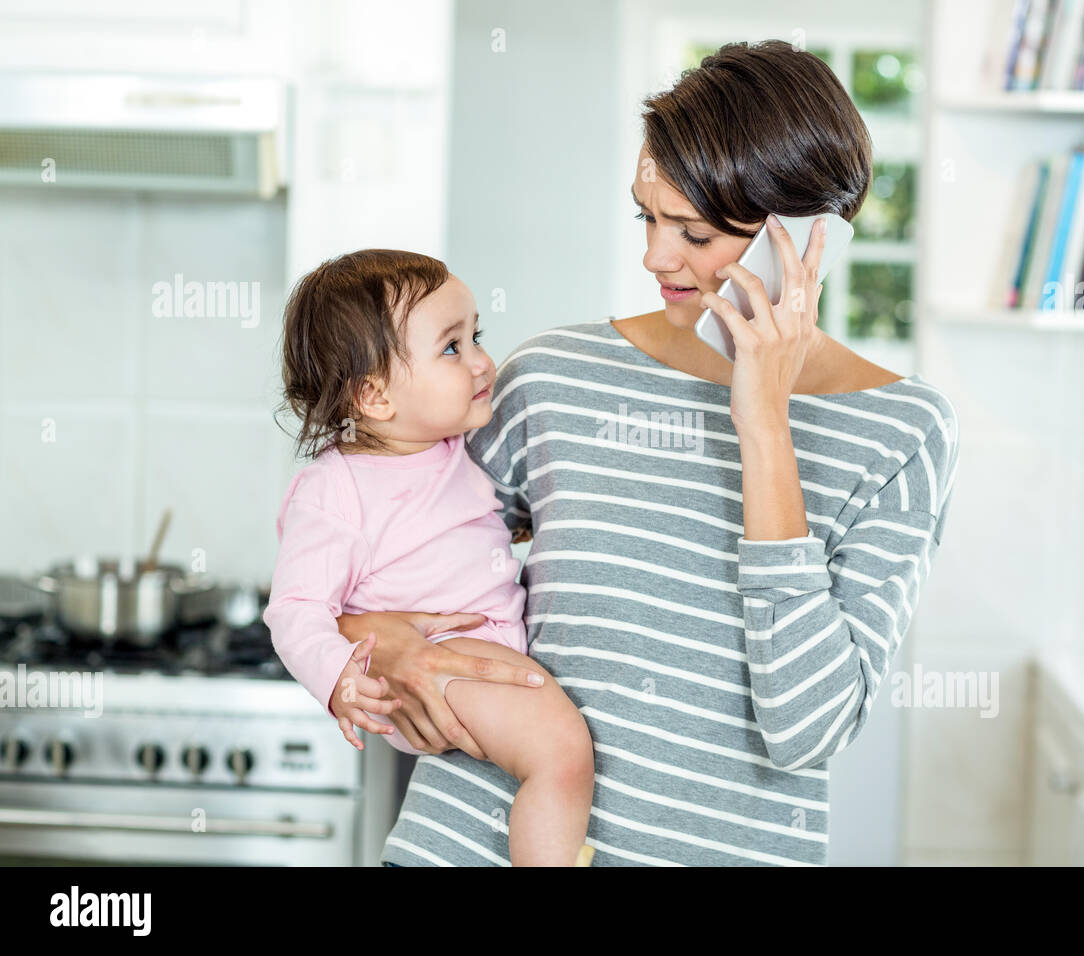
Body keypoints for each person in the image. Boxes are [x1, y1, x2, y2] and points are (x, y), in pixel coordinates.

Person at [343, 39, 961, 866]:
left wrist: (764, 424)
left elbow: (806, 729)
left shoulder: (902, 432)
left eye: (695, 233)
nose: (655, 257)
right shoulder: (553, 379)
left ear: (807, 241)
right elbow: (357, 559)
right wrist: (392, 649)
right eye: (650, 219)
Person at [264, 249, 595, 866]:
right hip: (447, 659)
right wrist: (338, 678)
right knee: (562, 753)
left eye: (476, 336)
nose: (481, 362)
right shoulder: (336, 490)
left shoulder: (449, 449)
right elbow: (295, 609)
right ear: (374, 395)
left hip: (477, 650)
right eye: (451, 347)